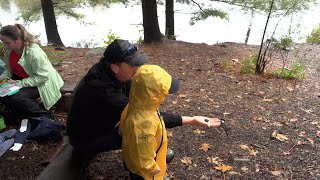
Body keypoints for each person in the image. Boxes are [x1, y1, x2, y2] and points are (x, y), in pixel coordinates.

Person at [66, 39, 221, 168]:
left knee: (142, 124)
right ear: (115, 67)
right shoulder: (103, 91)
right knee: (143, 130)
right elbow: (144, 114)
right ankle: (143, 170)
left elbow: (140, 98)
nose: (138, 69)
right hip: (86, 140)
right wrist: (191, 119)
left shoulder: (109, 72)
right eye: (133, 66)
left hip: (101, 124)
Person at [119, 64, 181, 179]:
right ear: (154, 96)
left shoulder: (135, 105)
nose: (165, 95)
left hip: (132, 158)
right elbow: (142, 155)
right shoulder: (145, 123)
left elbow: (122, 128)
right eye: (163, 93)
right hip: (144, 173)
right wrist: (152, 169)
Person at [0, 24, 64, 119]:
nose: (5, 46)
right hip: (23, 78)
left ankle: (43, 115)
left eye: (7, 43)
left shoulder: (34, 53)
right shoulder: (9, 50)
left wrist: (19, 83)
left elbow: (42, 78)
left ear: (17, 40)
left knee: (16, 97)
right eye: (3, 42)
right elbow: (9, 68)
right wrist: (2, 78)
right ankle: (21, 114)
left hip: (43, 82)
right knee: (3, 93)